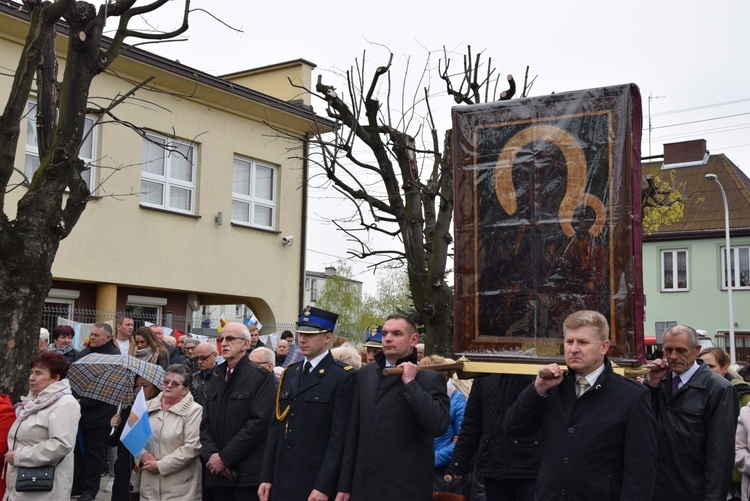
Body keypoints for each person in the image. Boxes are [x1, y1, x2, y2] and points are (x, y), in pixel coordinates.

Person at [504, 310, 657, 501]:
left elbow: (640, 470)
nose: (574, 349)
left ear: (603, 347)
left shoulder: (632, 396)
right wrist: (537, 390)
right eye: (569, 342)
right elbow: (512, 427)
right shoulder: (552, 388)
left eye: (583, 342)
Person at [336, 314, 449, 501]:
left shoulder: (429, 379)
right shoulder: (365, 375)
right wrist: (345, 485)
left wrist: (411, 384)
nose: (388, 338)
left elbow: (438, 425)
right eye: (385, 333)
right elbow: (354, 433)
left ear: (413, 339)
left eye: (396, 333)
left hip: (404, 488)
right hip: (364, 487)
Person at [259, 306, 356, 501]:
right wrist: (266, 477)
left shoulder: (342, 376)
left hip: (313, 480)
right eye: (300, 334)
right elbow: (276, 429)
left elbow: (339, 439)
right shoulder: (290, 372)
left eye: (310, 335)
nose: (302, 340)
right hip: (282, 476)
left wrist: (324, 486)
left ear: (327, 338)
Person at [647, 324, 738, 501]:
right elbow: (643, 425)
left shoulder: (719, 389)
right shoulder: (660, 382)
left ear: (696, 350)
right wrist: (651, 386)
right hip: (657, 490)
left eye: (681, 350)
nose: (673, 356)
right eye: (668, 350)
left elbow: (720, 455)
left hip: (693, 493)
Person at [200, 322, 276, 501]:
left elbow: (259, 423)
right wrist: (212, 456)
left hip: (245, 475)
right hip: (216, 474)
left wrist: (225, 458)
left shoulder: (260, 376)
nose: (224, 343)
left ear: (245, 344)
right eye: (221, 339)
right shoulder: (216, 375)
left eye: (230, 338)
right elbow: (205, 423)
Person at [447, 373, 540, 501]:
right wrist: (459, 463)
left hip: (530, 466)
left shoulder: (531, 370)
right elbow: (472, 421)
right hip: (494, 464)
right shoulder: (486, 373)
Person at [3, 351, 81, 500]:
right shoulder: (33, 402)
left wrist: (20, 455)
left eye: (38, 373)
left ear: (55, 378)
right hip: (23, 483)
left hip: (44, 488)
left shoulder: (64, 404)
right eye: (32, 372)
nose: (32, 378)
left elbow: (62, 444)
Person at [134, 365, 202, 501]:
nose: (169, 386)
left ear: (185, 389)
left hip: (180, 485)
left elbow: (192, 448)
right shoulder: (144, 405)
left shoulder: (195, 410)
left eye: (175, 384)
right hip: (149, 483)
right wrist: (143, 456)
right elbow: (132, 437)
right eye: (166, 382)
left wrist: (160, 466)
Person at [73, 322, 121, 501]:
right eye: (91, 334)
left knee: (95, 454)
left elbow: (108, 388)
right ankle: (76, 485)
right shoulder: (84, 353)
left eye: (96, 335)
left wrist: (83, 401)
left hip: (101, 414)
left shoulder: (114, 358)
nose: (92, 337)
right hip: (79, 412)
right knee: (77, 452)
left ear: (108, 338)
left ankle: (89, 491)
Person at [419, 355, 466, 494]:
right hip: (414, 470)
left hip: (440, 475)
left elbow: (462, 442)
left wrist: (431, 460)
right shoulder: (414, 396)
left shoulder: (456, 399)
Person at [109, 376, 161, 501]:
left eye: (144, 386)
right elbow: (112, 442)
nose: (139, 390)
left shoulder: (159, 412)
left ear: (155, 389)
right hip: (123, 472)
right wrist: (113, 427)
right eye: (136, 386)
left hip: (145, 472)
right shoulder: (128, 410)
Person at [192, 342, 218, 408]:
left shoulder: (222, 377)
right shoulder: (193, 377)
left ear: (215, 355)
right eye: (197, 358)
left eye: (204, 358)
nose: (199, 362)